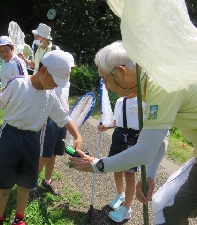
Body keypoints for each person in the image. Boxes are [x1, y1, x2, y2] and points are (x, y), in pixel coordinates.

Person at [69, 41, 191, 224]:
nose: (107, 87)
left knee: (166, 207)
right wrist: (149, 175)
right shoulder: (150, 86)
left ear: (121, 72)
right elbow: (162, 135)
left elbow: (143, 151)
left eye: (105, 79)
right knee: (164, 205)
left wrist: (97, 165)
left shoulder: (160, 86)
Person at [0, 50, 82, 225]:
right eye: (55, 81)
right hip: (10, 137)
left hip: (32, 140)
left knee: (26, 184)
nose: (56, 86)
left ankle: (19, 218)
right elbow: (0, 102)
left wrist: (77, 135)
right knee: (4, 185)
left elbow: (64, 118)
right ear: (43, 70)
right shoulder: (18, 83)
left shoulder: (51, 96)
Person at [18, 24, 67, 199]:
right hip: (49, 107)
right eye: (36, 36)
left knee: (53, 152)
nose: (36, 39)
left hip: (61, 105)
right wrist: (25, 61)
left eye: (38, 36)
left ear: (46, 38)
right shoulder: (38, 50)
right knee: (44, 153)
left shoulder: (56, 53)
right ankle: (30, 185)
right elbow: (37, 69)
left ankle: (47, 181)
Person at [98, 95, 146, 222]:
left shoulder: (144, 99)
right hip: (118, 135)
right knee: (116, 169)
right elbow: (116, 121)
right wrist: (106, 126)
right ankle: (120, 195)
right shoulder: (120, 100)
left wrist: (145, 131)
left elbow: (150, 120)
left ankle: (126, 209)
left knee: (129, 175)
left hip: (134, 138)